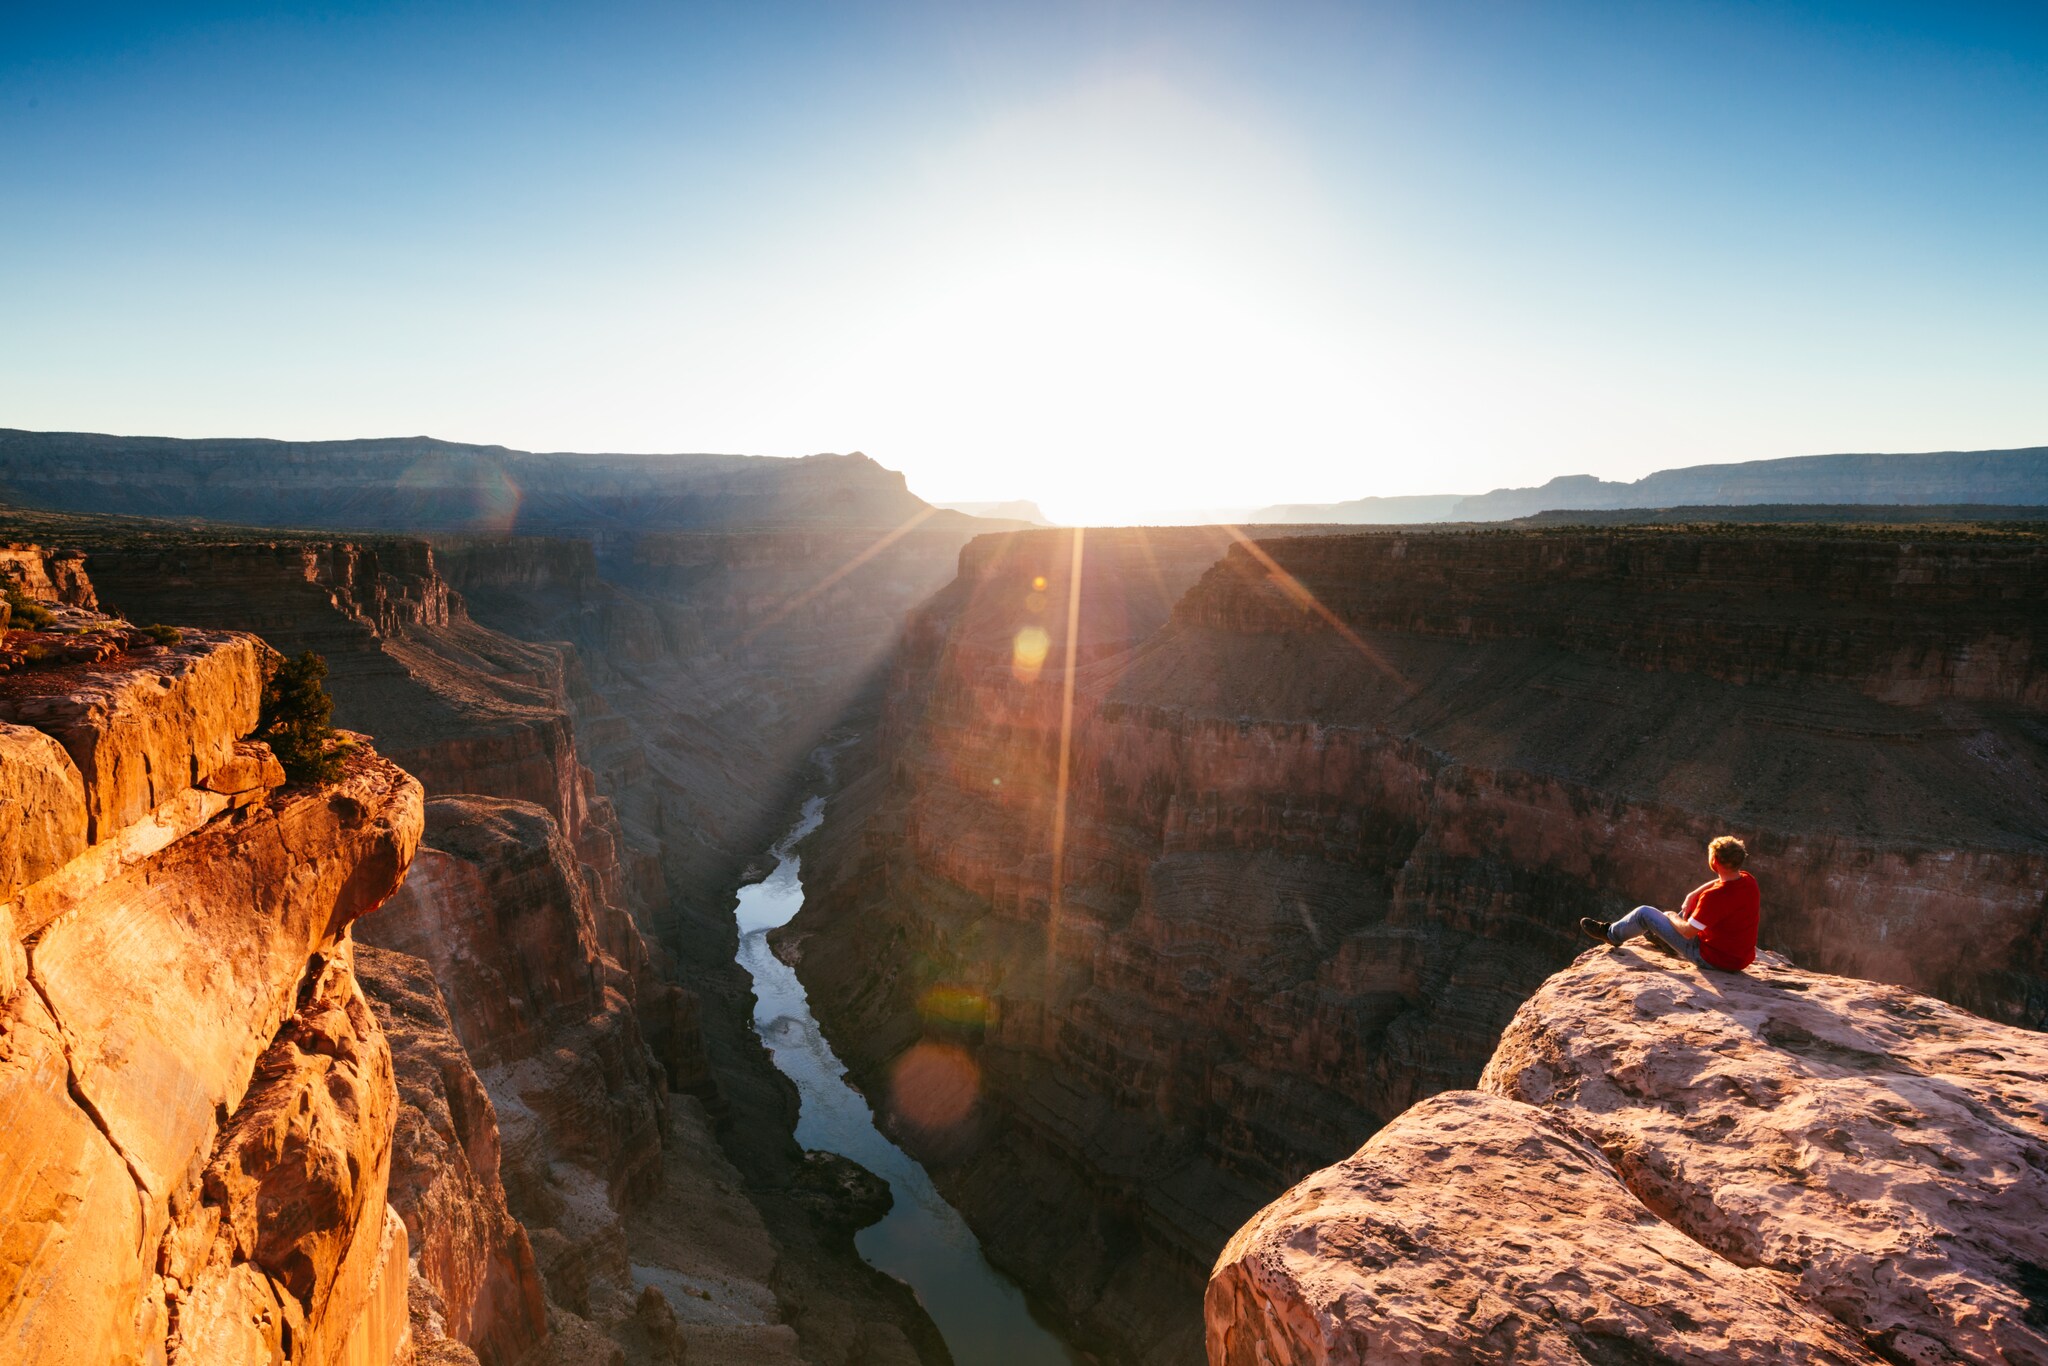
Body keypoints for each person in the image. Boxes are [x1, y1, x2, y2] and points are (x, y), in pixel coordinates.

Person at [1580, 836, 1760, 972]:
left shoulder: (1713, 897)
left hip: (1711, 959)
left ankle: (1610, 934)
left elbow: (1688, 932)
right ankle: (1664, 942)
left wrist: (1671, 916)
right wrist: (1693, 895)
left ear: (1714, 861)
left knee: (1644, 913)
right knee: (1688, 910)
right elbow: (1721, 882)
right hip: (1739, 959)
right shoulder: (1748, 880)